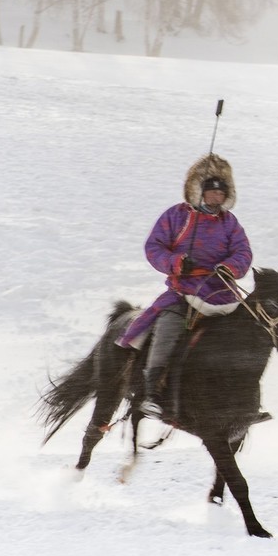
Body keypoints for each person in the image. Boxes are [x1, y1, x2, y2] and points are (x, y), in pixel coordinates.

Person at [117, 154, 253, 420]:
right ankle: (152, 394)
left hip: (222, 292)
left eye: (220, 193)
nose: (216, 197)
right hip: (185, 290)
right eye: (211, 192)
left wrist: (230, 267)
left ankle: (243, 400)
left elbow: (243, 252)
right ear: (198, 191)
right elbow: (154, 247)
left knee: (246, 335)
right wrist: (177, 263)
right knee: (168, 329)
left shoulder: (230, 223)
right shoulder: (176, 216)